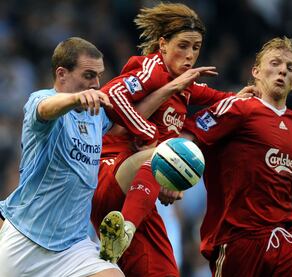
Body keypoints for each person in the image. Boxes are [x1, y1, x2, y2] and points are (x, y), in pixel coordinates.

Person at [90, 3, 258, 275]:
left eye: (196, 47)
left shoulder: (185, 85)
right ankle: (125, 231)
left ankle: (120, 236)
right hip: (110, 173)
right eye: (183, 45)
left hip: (138, 193)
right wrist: (153, 140)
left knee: (164, 269)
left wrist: (249, 98)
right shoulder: (152, 68)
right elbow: (112, 96)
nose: (190, 55)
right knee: (173, 149)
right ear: (163, 44)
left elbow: (222, 100)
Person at [182, 37, 292, 276]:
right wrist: (175, 176)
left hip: (283, 234)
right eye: (275, 63)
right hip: (239, 239)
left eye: (290, 68)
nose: (282, 70)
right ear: (256, 71)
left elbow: (278, 164)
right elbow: (190, 132)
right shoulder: (240, 107)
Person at [0, 37, 126, 277]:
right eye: (89, 75)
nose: (97, 84)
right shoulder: (41, 99)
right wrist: (75, 99)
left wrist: (170, 88)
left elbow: (132, 118)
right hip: (26, 239)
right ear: (62, 74)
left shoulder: (96, 114)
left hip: (74, 245)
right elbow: (46, 108)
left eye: (99, 76)